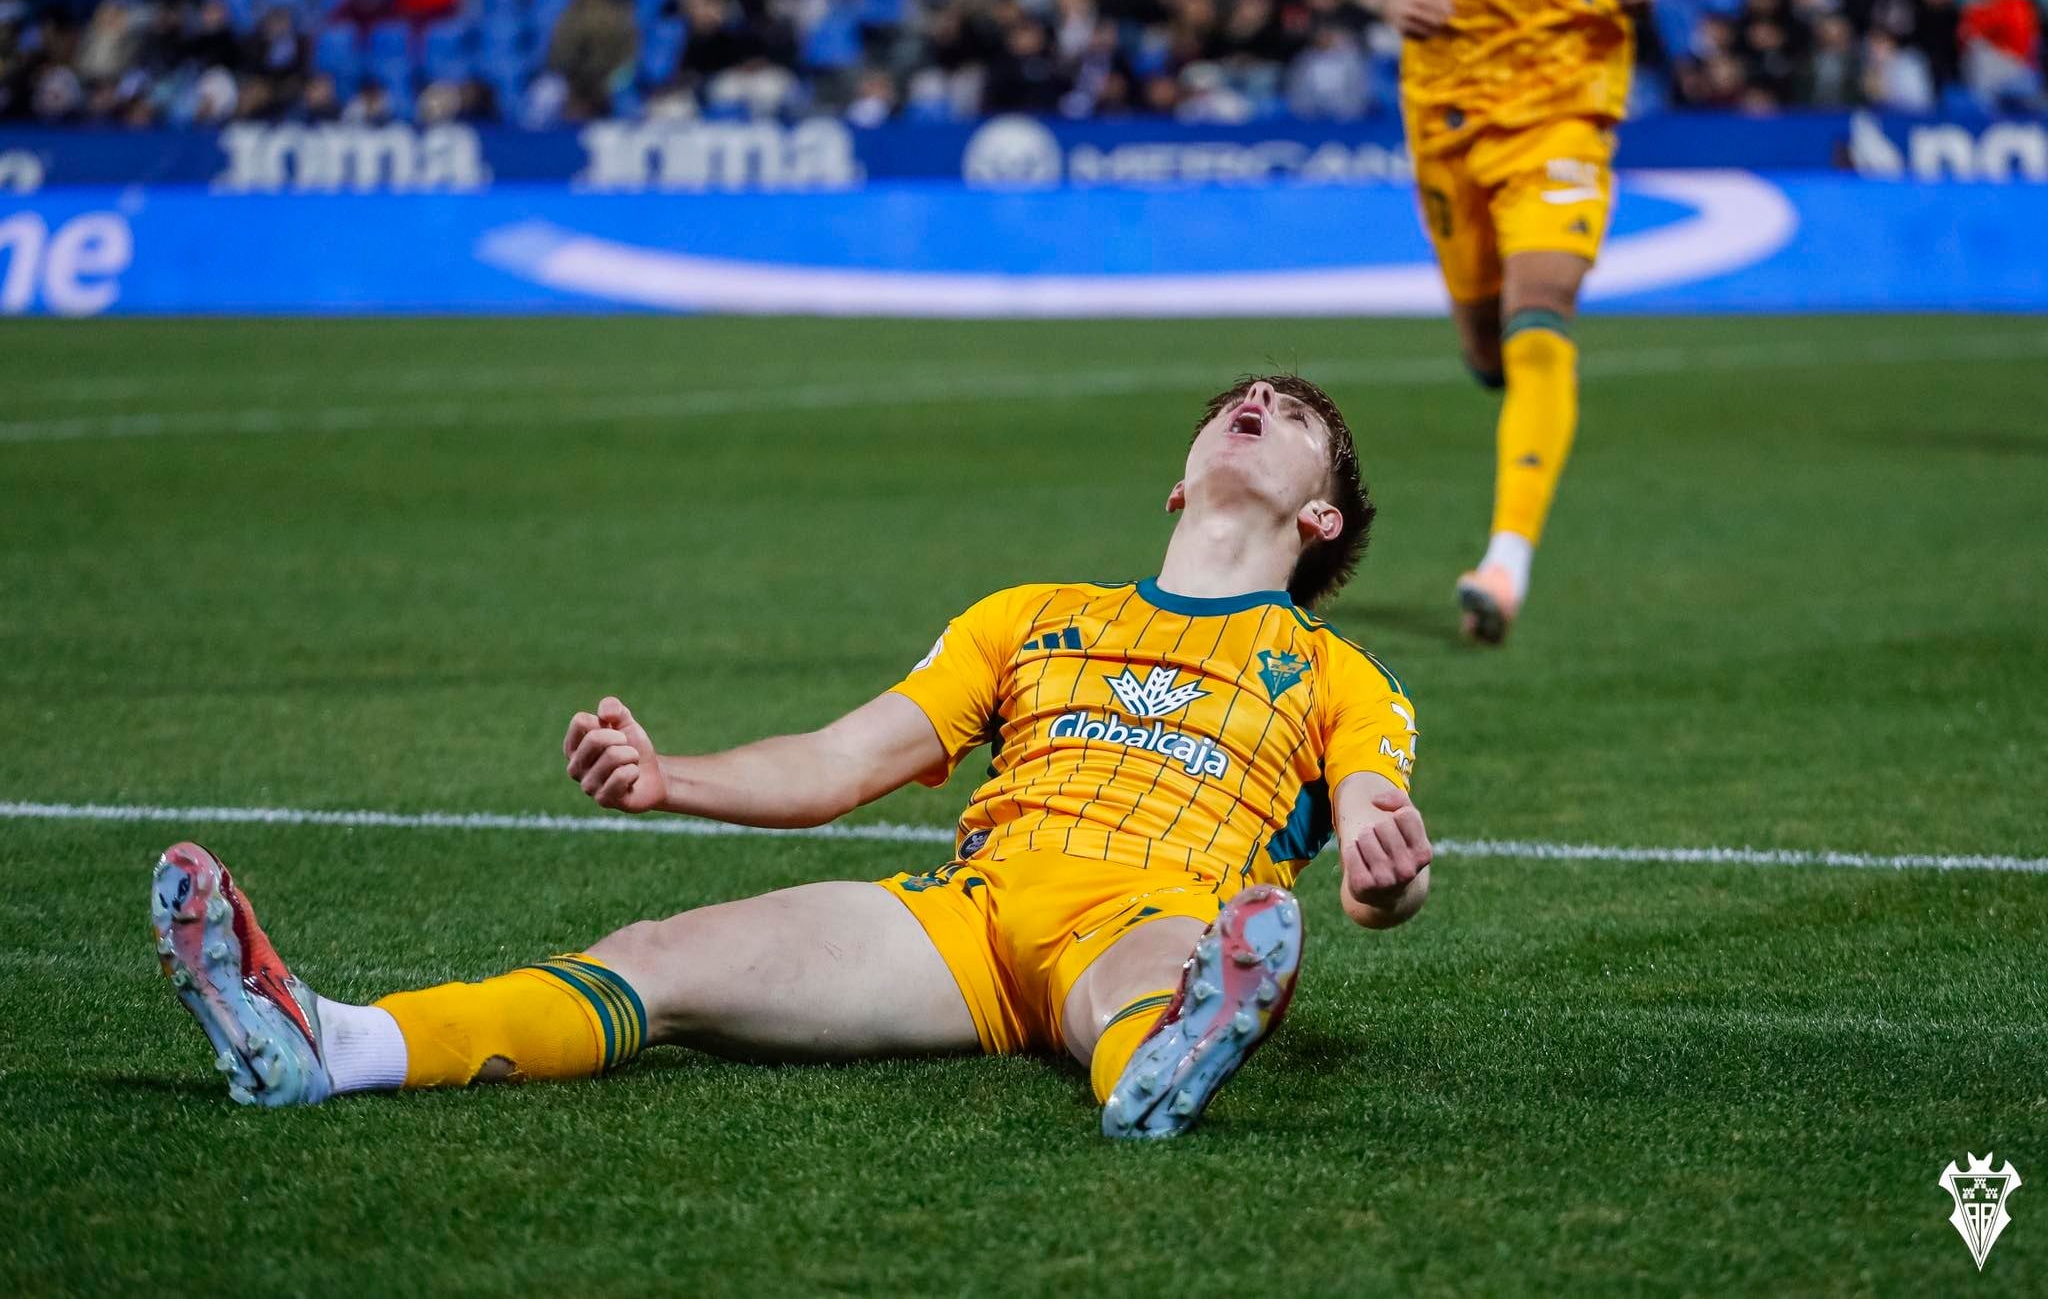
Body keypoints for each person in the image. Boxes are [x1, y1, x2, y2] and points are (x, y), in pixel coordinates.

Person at [150, 374, 1433, 1141]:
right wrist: (670, 777)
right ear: (1178, 481)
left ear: (1316, 514)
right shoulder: (1028, 615)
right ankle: (331, 1044)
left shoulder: (1342, 676)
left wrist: (1384, 878)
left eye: (1288, 413)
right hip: (968, 924)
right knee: (655, 954)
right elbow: (835, 762)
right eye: (1231, 404)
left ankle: (1161, 1060)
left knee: (1172, 978)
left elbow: (1378, 855)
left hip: (1152, 911)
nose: (1250, 406)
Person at [1320, 0, 1656, 642]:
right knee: (1486, 351)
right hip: (1448, 114)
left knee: (1539, 311)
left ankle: (1506, 561)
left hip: (1563, 109)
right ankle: (1517, 391)